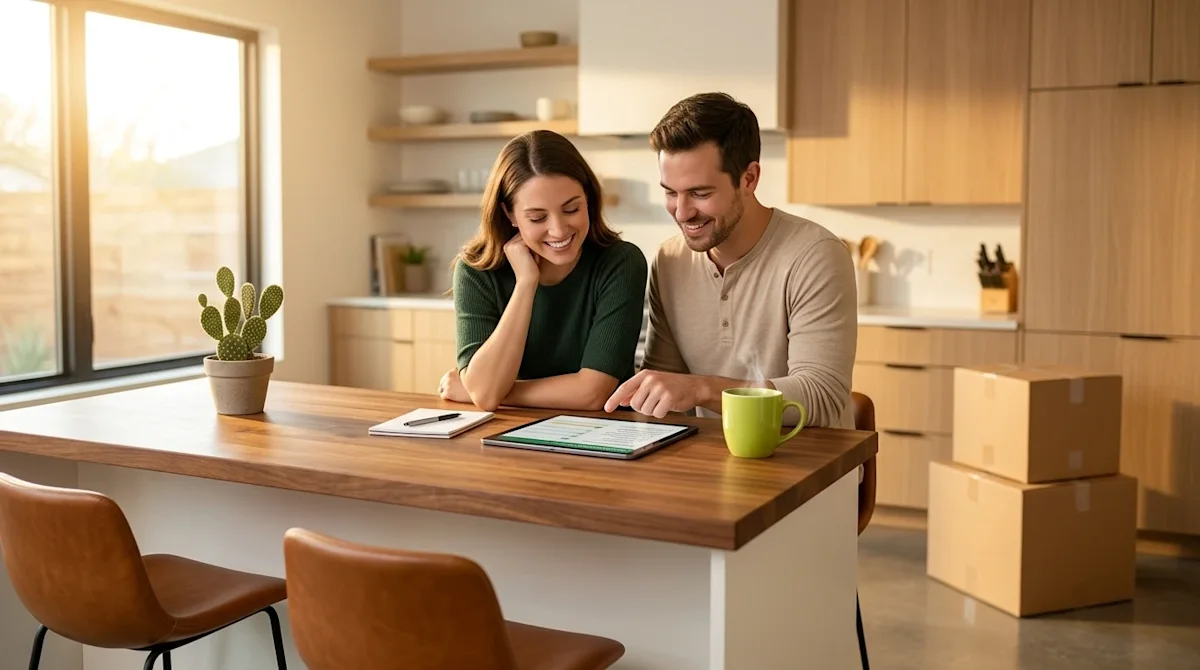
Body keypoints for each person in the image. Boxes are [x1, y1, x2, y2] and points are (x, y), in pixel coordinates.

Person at [603, 92, 858, 429]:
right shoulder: (669, 260)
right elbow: (663, 388)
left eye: (700, 193)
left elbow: (820, 398)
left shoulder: (815, 256)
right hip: (710, 462)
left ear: (749, 178)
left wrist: (703, 389)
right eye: (670, 192)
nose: (682, 212)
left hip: (811, 466)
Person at [438, 130, 648, 412]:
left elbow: (593, 394)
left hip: (606, 435)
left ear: (588, 198)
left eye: (571, 209)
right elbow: (486, 395)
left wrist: (491, 392)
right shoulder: (476, 272)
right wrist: (526, 283)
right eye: (537, 217)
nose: (559, 229)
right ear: (510, 214)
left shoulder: (620, 263)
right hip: (509, 434)